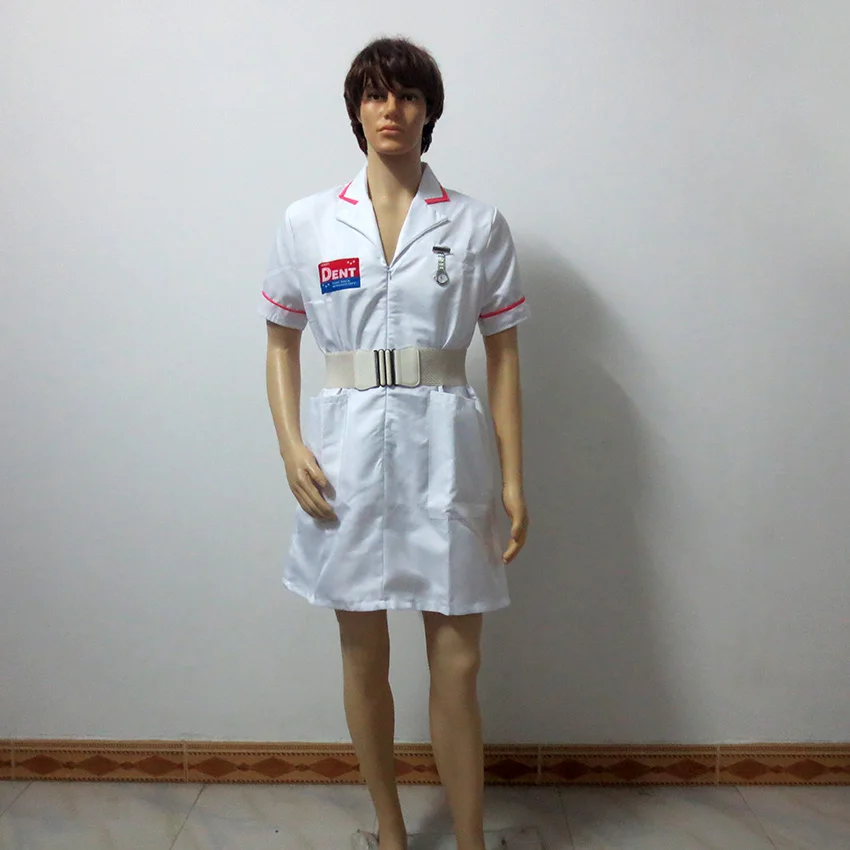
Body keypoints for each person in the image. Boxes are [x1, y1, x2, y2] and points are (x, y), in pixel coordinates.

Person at [259, 36, 530, 850]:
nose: (392, 110)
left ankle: (471, 839)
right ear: (356, 109)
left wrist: (514, 477)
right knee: (362, 655)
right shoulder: (309, 223)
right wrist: (289, 444)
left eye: (408, 96)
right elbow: (280, 342)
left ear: (428, 112)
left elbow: (503, 357)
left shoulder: (476, 226)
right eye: (376, 95)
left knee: (458, 662)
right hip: (343, 456)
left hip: (447, 446)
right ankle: (390, 830)